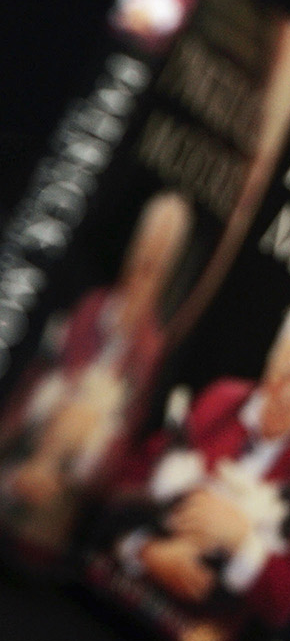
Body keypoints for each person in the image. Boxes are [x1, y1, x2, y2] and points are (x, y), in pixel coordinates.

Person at [108, 299, 290, 634]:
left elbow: (286, 601)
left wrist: (243, 542)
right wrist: (145, 551)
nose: (288, 394)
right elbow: (127, 479)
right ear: (271, 360)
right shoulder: (221, 399)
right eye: (285, 371)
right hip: (123, 594)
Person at [0, 190, 192, 550]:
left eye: (158, 261)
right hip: (28, 445)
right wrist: (55, 401)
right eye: (145, 251)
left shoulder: (152, 349)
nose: (145, 267)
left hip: (67, 486)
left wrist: (83, 450)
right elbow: (34, 378)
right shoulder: (91, 306)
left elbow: (125, 443)